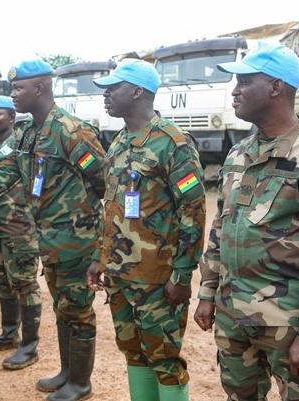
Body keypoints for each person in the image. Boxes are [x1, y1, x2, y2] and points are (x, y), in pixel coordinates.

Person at [194, 42, 299, 401]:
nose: (234, 91)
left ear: (276, 87)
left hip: (288, 323)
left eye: (244, 82)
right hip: (234, 317)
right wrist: (207, 293)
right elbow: (221, 229)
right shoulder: (238, 154)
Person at [0, 59, 107, 401]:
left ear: (40, 88)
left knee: (78, 310)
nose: (13, 94)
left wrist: (100, 244)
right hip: (49, 239)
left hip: (77, 241)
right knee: (62, 308)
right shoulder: (28, 133)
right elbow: (6, 171)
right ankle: (67, 373)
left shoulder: (71, 131)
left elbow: (105, 184)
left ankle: (81, 383)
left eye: (18, 88)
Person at [86, 59, 206, 401]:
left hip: (157, 277)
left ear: (138, 92)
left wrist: (182, 274)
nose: (106, 95)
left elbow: (193, 210)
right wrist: (99, 257)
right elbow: (111, 206)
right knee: (133, 351)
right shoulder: (119, 141)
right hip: (120, 273)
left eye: (113, 88)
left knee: (164, 358)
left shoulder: (173, 142)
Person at [0, 96, 42, 370]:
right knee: (2, 281)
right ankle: (8, 333)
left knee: (25, 284)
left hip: (18, 227)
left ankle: (29, 346)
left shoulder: (22, 145)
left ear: (12, 118)